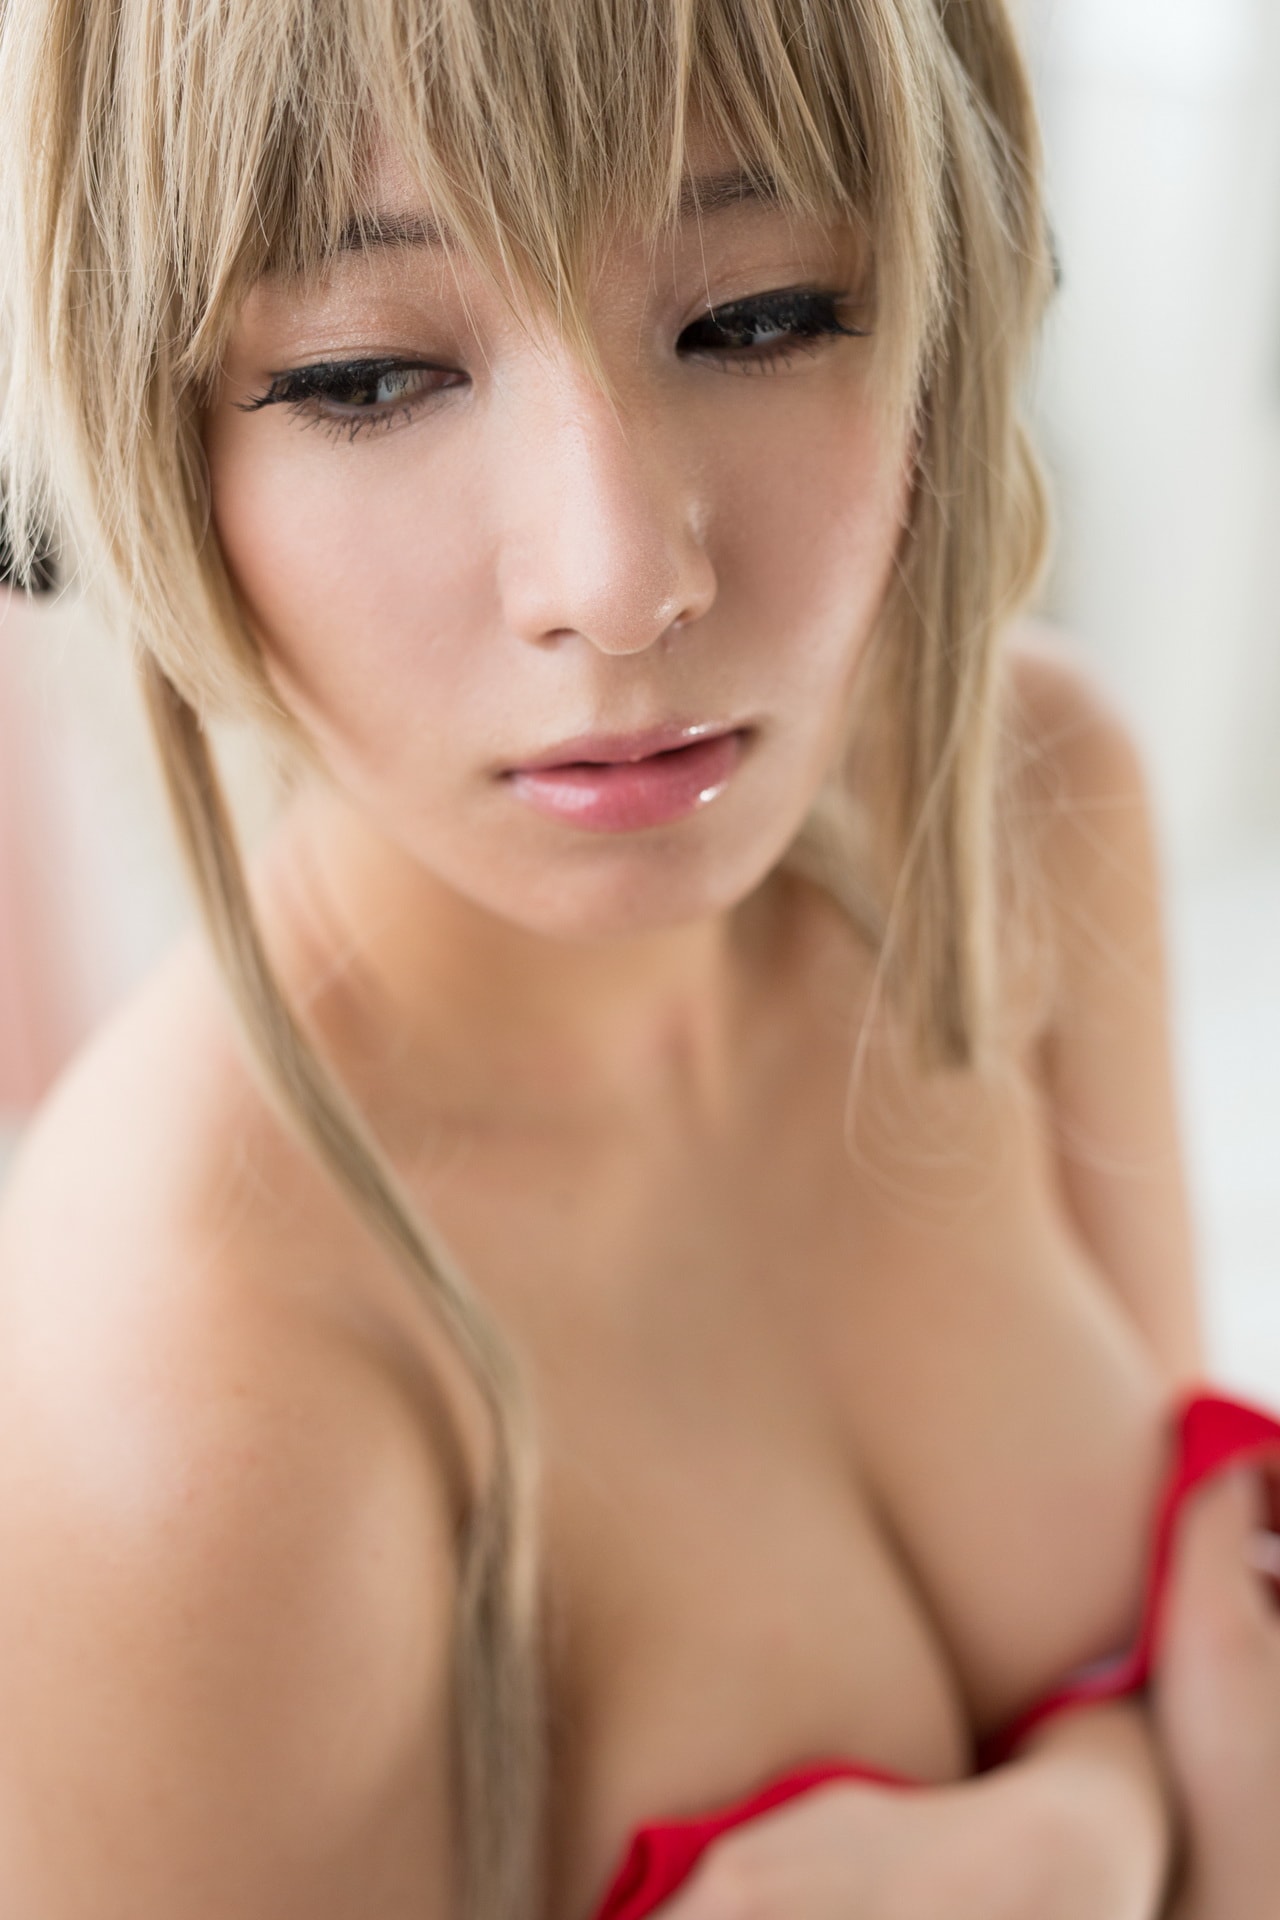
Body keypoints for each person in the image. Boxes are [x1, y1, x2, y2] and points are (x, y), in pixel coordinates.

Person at [0, 1, 1276, 1916]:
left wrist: (1079, 1845)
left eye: (760, 319)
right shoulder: (169, 1403)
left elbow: (1217, 1704)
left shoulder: (1020, 813)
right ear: (145, 442)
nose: (617, 579)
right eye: (367, 377)